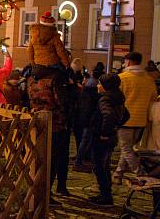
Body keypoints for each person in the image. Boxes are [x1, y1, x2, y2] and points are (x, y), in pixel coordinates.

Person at [114, 52, 158, 184]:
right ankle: (118, 174)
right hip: (141, 120)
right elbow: (154, 98)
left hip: (125, 119)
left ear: (128, 62)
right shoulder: (148, 79)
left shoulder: (122, 78)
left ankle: (141, 175)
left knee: (126, 149)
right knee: (128, 148)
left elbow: (114, 97)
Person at [27, 65, 69, 201]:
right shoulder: (55, 78)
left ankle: (36, 191)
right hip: (55, 122)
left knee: (38, 158)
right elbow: (61, 100)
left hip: (37, 120)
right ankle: (46, 194)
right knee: (52, 159)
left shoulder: (32, 78)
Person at [88, 73, 128, 205]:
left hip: (102, 137)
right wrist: (117, 126)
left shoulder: (105, 98)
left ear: (106, 85)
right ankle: (105, 193)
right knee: (104, 165)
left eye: (100, 83)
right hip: (111, 137)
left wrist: (105, 132)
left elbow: (108, 115)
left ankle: (105, 195)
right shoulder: (117, 97)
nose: (98, 86)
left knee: (99, 166)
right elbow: (126, 115)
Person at [74, 63, 105, 171]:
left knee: (87, 141)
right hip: (90, 120)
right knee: (86, 141)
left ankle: (82, 161)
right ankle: (79, 162)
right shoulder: (93, 93)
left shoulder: (87, 90)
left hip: (87, 119)